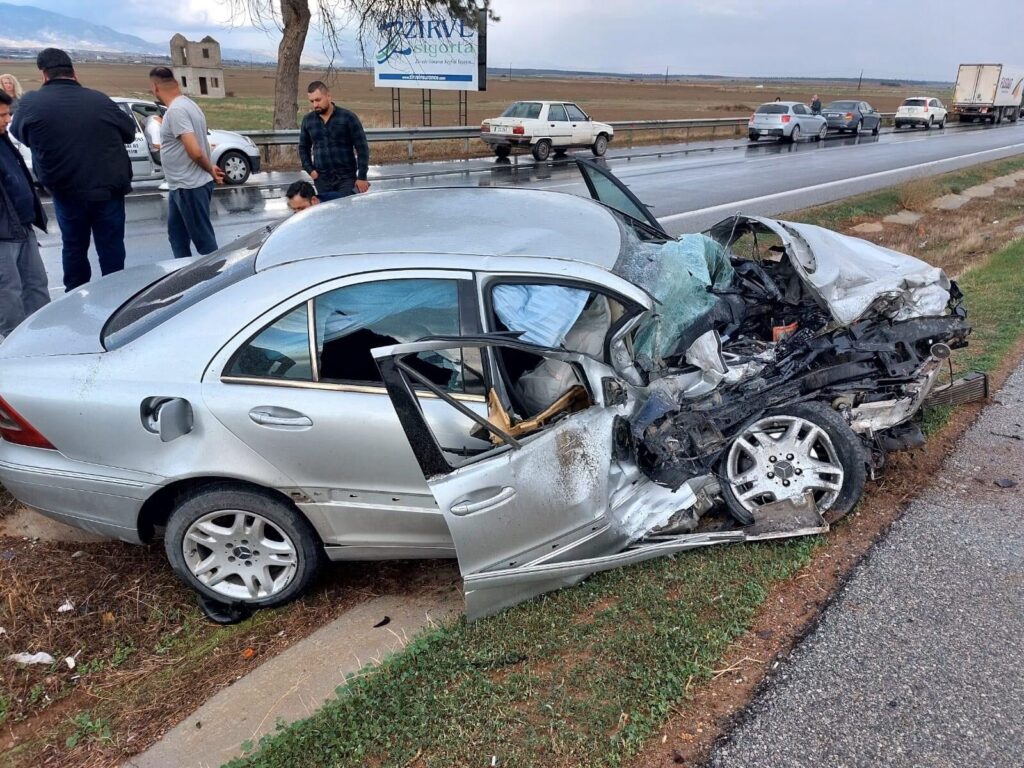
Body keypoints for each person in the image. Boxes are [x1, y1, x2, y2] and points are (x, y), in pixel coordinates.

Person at [11, 48, 136, 292]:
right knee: (111, 248)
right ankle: (117, 297)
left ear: (44, 75)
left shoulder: (32, 103)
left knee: (74, 247)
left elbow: (18, 133)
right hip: (107, 189)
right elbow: (129, 132)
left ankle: (76, 297)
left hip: (66, 190)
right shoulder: (100, 100)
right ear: (74, 73)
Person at [148, 67, 224, 259]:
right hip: (180, 186)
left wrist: (209, 169)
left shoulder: (176, 111)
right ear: (176, 83)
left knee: (204, 242)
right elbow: (201, 142)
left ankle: (216, 277)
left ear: (155, 87)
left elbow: (194, 150)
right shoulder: (189, 105)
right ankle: (183, 275)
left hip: (189, 186)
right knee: (177, 237)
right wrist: (210, 167)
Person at [0, 91, 49, 338]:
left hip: (22, 225)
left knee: (36, 285)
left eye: (8, 113)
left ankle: (40, 335)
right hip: (3, 234)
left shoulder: (4, 139)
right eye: (2, 115)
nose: (8, 119)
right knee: (8, 292)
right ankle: (15, 342)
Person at [298, 81, 370, 202]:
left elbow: (362, 148)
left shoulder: (348, 117)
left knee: (346, 211)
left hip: (347, 178)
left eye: (318, 100)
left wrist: (362, 176)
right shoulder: (308, 121)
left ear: (328, 96)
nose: (315, 105)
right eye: (312, 101)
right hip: (322, 179)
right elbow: (303, 148)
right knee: (328, 215)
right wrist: (311, 171)